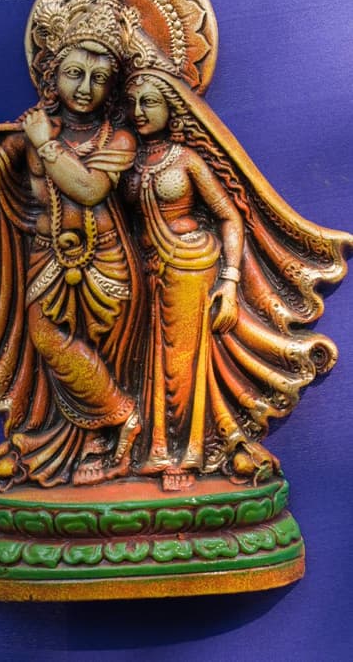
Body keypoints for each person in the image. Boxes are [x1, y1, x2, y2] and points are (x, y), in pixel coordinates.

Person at [0, 0, 144, 491]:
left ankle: (109, 431)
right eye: (74, 73)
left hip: (107, 263)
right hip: (47, 261)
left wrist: (46, 144)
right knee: (49, 341)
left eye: (99, 79)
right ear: (52, 75)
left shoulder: (117, 139)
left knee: (101, 352)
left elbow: (90, 189)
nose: (85, 89)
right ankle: (119, 417)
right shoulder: (29, 134)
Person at [123, 67, 348, 487]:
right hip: (149, 273)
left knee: (182, 365)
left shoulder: (187, 161)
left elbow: (229, 217)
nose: (139, 111)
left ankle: (187, 455)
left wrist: (228, 281)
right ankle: (155, 449)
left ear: (172, 110)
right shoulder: (126, 161)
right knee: (149, 364)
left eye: (149, 102)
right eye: (132, 103)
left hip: (192, 265)